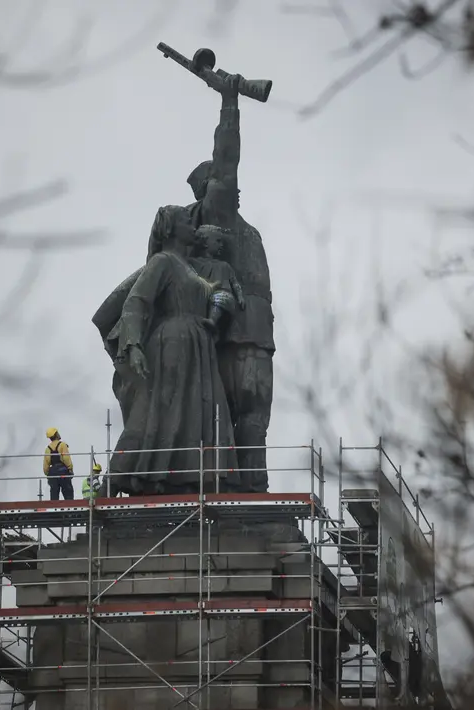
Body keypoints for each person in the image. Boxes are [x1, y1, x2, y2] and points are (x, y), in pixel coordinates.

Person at [106, 205, 240, 495]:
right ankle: (116, 477)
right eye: (185, 220)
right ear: (170, 229)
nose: (192, 224)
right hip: (172, 343)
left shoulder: (190, 267)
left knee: (201, 412)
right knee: (156, 409)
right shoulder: (163, 262)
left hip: (198, 346)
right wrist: (133, 345)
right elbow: (136, 302)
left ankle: (186, 478)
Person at [184, 73, 274, 493]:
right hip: (227, 339)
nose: (232, 191)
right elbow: (226, 162)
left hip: (257, 340)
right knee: (221, 423)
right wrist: (230, 104)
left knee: (255, 421)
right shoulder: (215, 218)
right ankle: (228, 490)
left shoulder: (247, 232)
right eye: (217, 186)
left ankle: (253, 495)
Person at [190, 224, 245, 335]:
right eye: (218, 241)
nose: (221, 245)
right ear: (205, 242)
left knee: (221, 297)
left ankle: (212, 320)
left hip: (222, 296)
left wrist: (240, 296)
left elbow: (235, 283)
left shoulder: (225, 266)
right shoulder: (193, 263)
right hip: (201, 297)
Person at [42, 427, 74, 500]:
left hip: (52, 472)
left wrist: (48, 473)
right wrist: (70, 469)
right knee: (68, 493)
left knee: (54, 494)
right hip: (63, 471)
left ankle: (54, 508)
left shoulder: (47, 449)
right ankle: (70, 508)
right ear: (56, 434)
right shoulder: (62, 445)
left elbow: (46, 465)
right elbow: (66, 458)